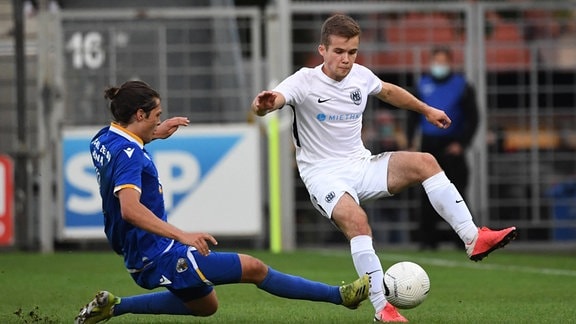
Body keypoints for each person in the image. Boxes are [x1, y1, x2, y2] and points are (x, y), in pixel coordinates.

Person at [251, 14, 517, 323]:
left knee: (426, 162)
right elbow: (275, 100)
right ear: (322, 50)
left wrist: (427, 109)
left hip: (361, 165)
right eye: (339, 51)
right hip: (323, 176)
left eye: (352, 52)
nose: (346, 59)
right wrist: (264, 105)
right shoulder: (304, 81)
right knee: (358, 222)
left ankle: (473, 238)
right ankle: (383, 309)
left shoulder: (361, 76)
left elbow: (389, 91)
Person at [75, 80, 369, 324]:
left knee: (206, 306)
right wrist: (183, 235)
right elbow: (129, 208)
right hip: (156, 253)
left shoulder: (102, 139)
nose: (160, 121)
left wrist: (152, 135)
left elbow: (125, 149)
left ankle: (112, 306)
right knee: (254, 268)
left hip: (140, 248)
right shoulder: (131, 154)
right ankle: (339, 296)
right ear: (139, 115)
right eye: (156, 116)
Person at [407, 46, 479, 251]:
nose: (439, 65)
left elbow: (473, 118)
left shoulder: (462, 86)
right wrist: (411, 142)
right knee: (427, 195)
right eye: (436, 61)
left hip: (452, 145)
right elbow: (412, 116)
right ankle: (427, 240)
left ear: (450, 62)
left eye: (443, 61)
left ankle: (464, 239)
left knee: (457, 192)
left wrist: (462, 143)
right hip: (429, 145)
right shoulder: (422, 84)